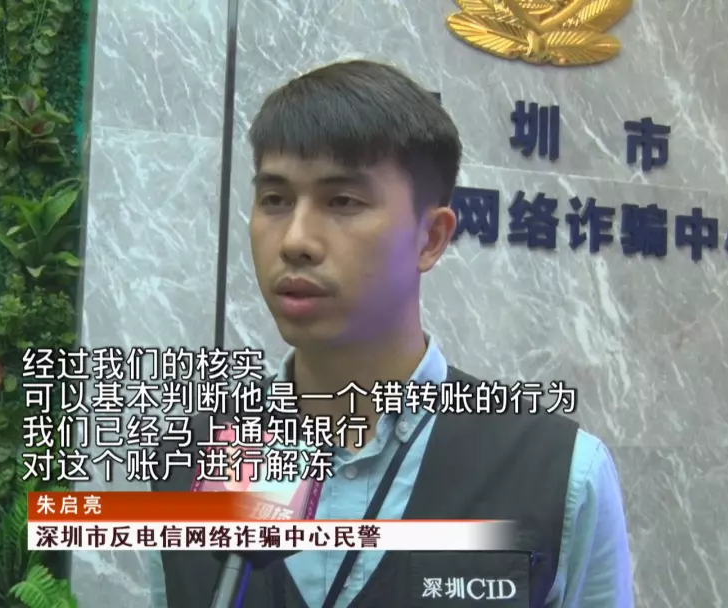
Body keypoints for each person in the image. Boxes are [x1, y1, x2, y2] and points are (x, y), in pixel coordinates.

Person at [156, 60, 633, 608]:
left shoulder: (559, 471)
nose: (295, 241)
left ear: (430, 238)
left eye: (342, 201)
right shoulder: (187, 460)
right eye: (276, 200)